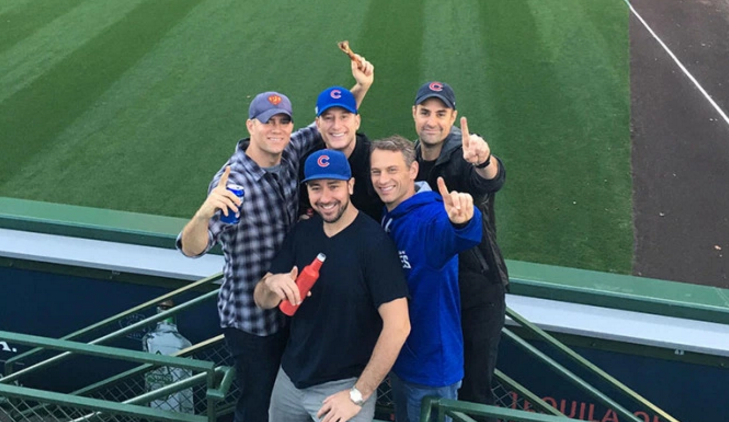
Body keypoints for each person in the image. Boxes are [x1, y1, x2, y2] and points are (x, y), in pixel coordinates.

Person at [175, 57, 374, 422]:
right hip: (252, 321)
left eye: (284, 122)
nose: (277, 129)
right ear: (252, 125)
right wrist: (202, 214)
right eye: (268, 122)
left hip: (290, 311)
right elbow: (192, 249)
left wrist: (359, 89)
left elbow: (331, 127)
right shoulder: (233, 183)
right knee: (258, 406)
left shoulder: (290, 152)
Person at [254, 149, 410, 422]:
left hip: (342, 389)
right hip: (290, 380)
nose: (325, 198)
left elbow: (399, 326)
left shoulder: (374, 244)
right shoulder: (303, 232)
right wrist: (271, 284)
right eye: (316, 188)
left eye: (334, 186)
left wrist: (357, 395)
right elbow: (262, 299)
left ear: (350, 186)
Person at [412, 81, 508, 416]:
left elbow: (489, 179)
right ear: (414, 114)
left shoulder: (463, 155)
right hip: (435, 297)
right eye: (425, 112)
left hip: (478, 292)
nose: (431, 121)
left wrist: (484, 161)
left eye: (440, 113)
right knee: (433, 388)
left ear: (452, 117)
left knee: (474, 394)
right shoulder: (410, 160)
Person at [369, 136, 482, 422]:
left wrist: (464, 220)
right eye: (376, 171)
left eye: (392, 170)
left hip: (432, 371)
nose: (383, 179)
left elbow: (459, 232)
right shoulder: (391, 213)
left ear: (413, 171)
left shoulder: (430, 217)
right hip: (402, 361)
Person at [298, 85, 384, 221]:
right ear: (317, 124)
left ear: (357, 121)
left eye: (344, 117)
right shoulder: (309, 164)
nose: (337, 125)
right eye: (328, 118)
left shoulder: (378, 161)